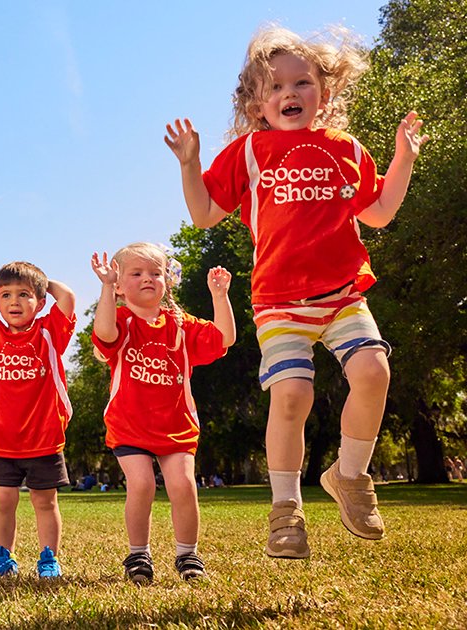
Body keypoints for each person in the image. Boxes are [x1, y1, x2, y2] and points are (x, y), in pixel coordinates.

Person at [164, 25, 429, 558]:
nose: (290, 94)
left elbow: (378, 213)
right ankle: (286, 508)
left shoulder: (345, 148)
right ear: (258, 103)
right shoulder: (249, 152)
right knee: (293, 395)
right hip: (279, 300)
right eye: (276, 86)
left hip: (342, 294)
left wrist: (404, 158)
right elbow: (204, 214)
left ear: (323, 95)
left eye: (302, 83)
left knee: (374, 371)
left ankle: (350, 475)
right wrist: (190, 166)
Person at [90, 243, 235, 584]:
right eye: (136, 273)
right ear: (121, 285)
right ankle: (138, 554)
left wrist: (219, 296)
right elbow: (104, 334)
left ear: (167, 281)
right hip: (130, 423)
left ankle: (188, 554)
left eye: (156, 273)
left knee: (183, 485)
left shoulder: (181, 324)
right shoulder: (121, 320)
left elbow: (225, 338)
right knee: (141, 484)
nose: (148, 279)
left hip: (176, 425)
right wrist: (105, 288)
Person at [0, 262, 76, 579]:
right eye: (5, 295)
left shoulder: (49, 332)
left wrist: (39, 281)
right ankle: (4, 558)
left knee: (45, 501)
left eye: (24, 295)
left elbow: (67, 297)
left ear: (40, 303)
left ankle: (48, 559)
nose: (14, 302)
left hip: (44, 435)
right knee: (3, 499)